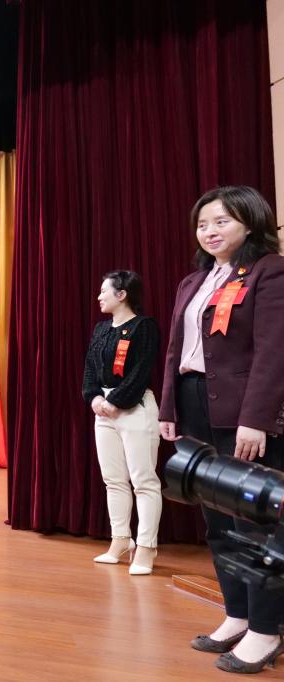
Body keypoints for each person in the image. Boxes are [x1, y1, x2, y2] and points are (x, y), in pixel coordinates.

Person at [159, 186, 284, 674]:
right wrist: (169, 407)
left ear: (249, 223)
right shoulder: (194, 281)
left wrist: (256, 419)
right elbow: (177, 350)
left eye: (221, 221)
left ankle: (267, 629)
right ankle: (238, 614)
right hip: (194, 404)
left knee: (254, 523)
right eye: (202, 224)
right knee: (216, 520)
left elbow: (274, 351)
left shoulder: (269, 271)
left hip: (242, 412)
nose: (209, 231)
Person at [81, 270, 161, 575]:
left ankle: (147, 547)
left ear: (122, 294)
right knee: (113, 480)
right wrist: (94, 398)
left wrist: (116, 401)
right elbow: (90, 368)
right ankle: (120, 540)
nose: (99, 296)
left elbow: (142, 370)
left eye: (104, 291)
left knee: (144, 481)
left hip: (134, 407)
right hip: (103, 410)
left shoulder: (144, 326)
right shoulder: (101, 329)